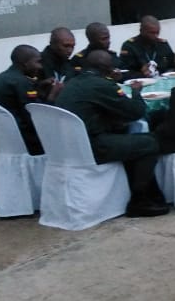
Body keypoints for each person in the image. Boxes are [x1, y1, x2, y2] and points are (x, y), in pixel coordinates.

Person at [56, 50, 167, 217]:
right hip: (93, 147)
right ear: (107, 69)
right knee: (149, 143)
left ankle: (142, 193)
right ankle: (139, 201)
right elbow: (136, 111)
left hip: (69, 146)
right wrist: (136, 92)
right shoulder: (101, 85)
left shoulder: (72, 83)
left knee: (133, 139)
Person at [0, 44, 54, 155]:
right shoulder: (21, 82)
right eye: (38, 62)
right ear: (25, 64)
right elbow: (35, 116)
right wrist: (52, 95)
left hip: (2, 135)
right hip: (23, 138)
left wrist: (37, 87)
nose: (41, 67)